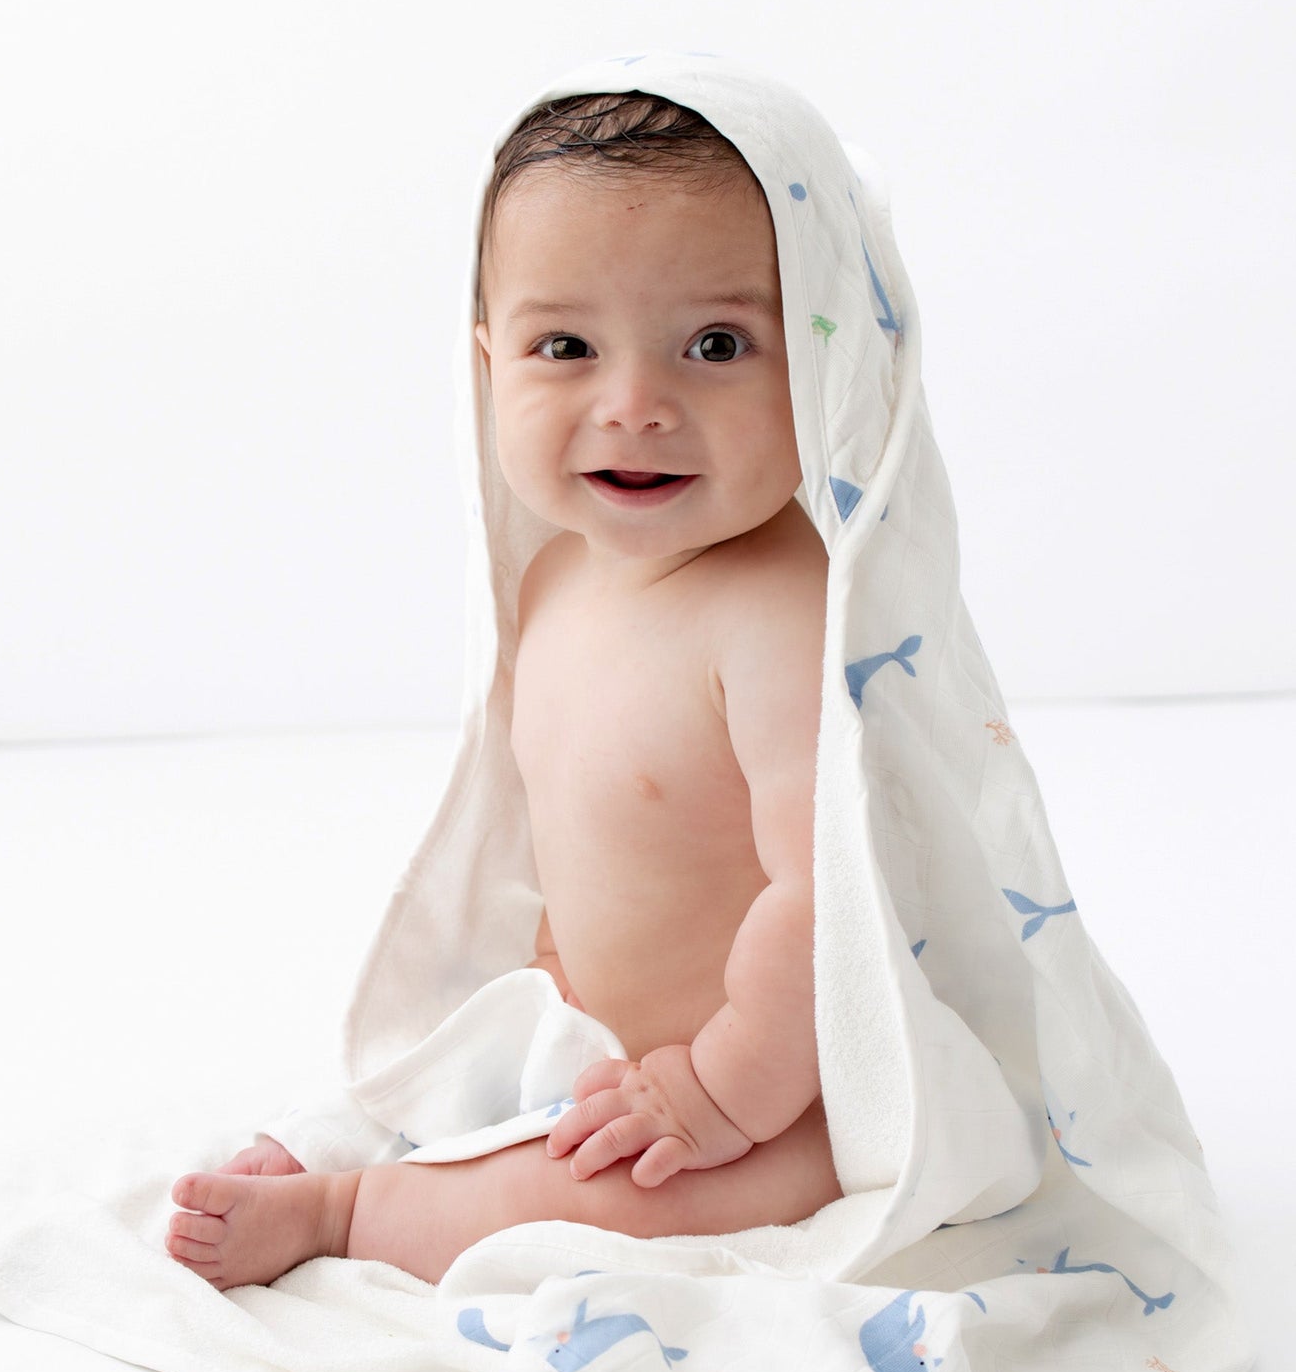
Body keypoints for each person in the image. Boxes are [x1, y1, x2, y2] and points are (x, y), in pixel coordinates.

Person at [163, 90, 844, 1290]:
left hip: (782, 1084)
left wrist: (719, 1092)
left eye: (716, 345)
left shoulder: (783, 615)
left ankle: (349, 1213)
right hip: (597, 1030)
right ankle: (370, 1137)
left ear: (832, 364)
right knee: (445, 1061)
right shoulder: (556, 578)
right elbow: (575, 826)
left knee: (629, 1198)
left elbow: (824, 898)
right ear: (489, 364)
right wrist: (550, 980)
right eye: (567, 348)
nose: (634, 405)